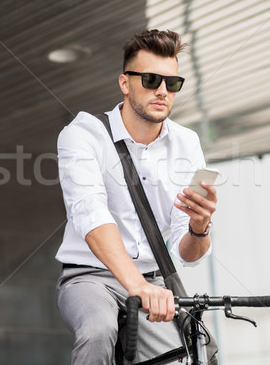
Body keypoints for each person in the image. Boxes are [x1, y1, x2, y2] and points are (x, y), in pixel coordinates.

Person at [55, 29, 217, 364]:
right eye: (150, 79)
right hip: (90, 276)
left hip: (155, 280)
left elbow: (187, 255)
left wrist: (199, 227)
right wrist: (135, 286)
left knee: (190, 352)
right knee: (98, 330)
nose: (162, 91)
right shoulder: (83, 134)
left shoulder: (187, 144)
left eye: (172, 83)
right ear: (125, 83)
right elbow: (90, 213)